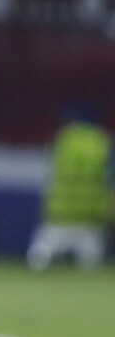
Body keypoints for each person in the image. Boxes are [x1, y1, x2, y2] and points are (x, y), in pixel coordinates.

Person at [26, 103, 113, 270]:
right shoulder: (102, 143)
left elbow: (50, 174)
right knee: (91, 264)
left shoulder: (61, 140)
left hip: (60, 213)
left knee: (40, 256)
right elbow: (110, 179)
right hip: (91, 216)